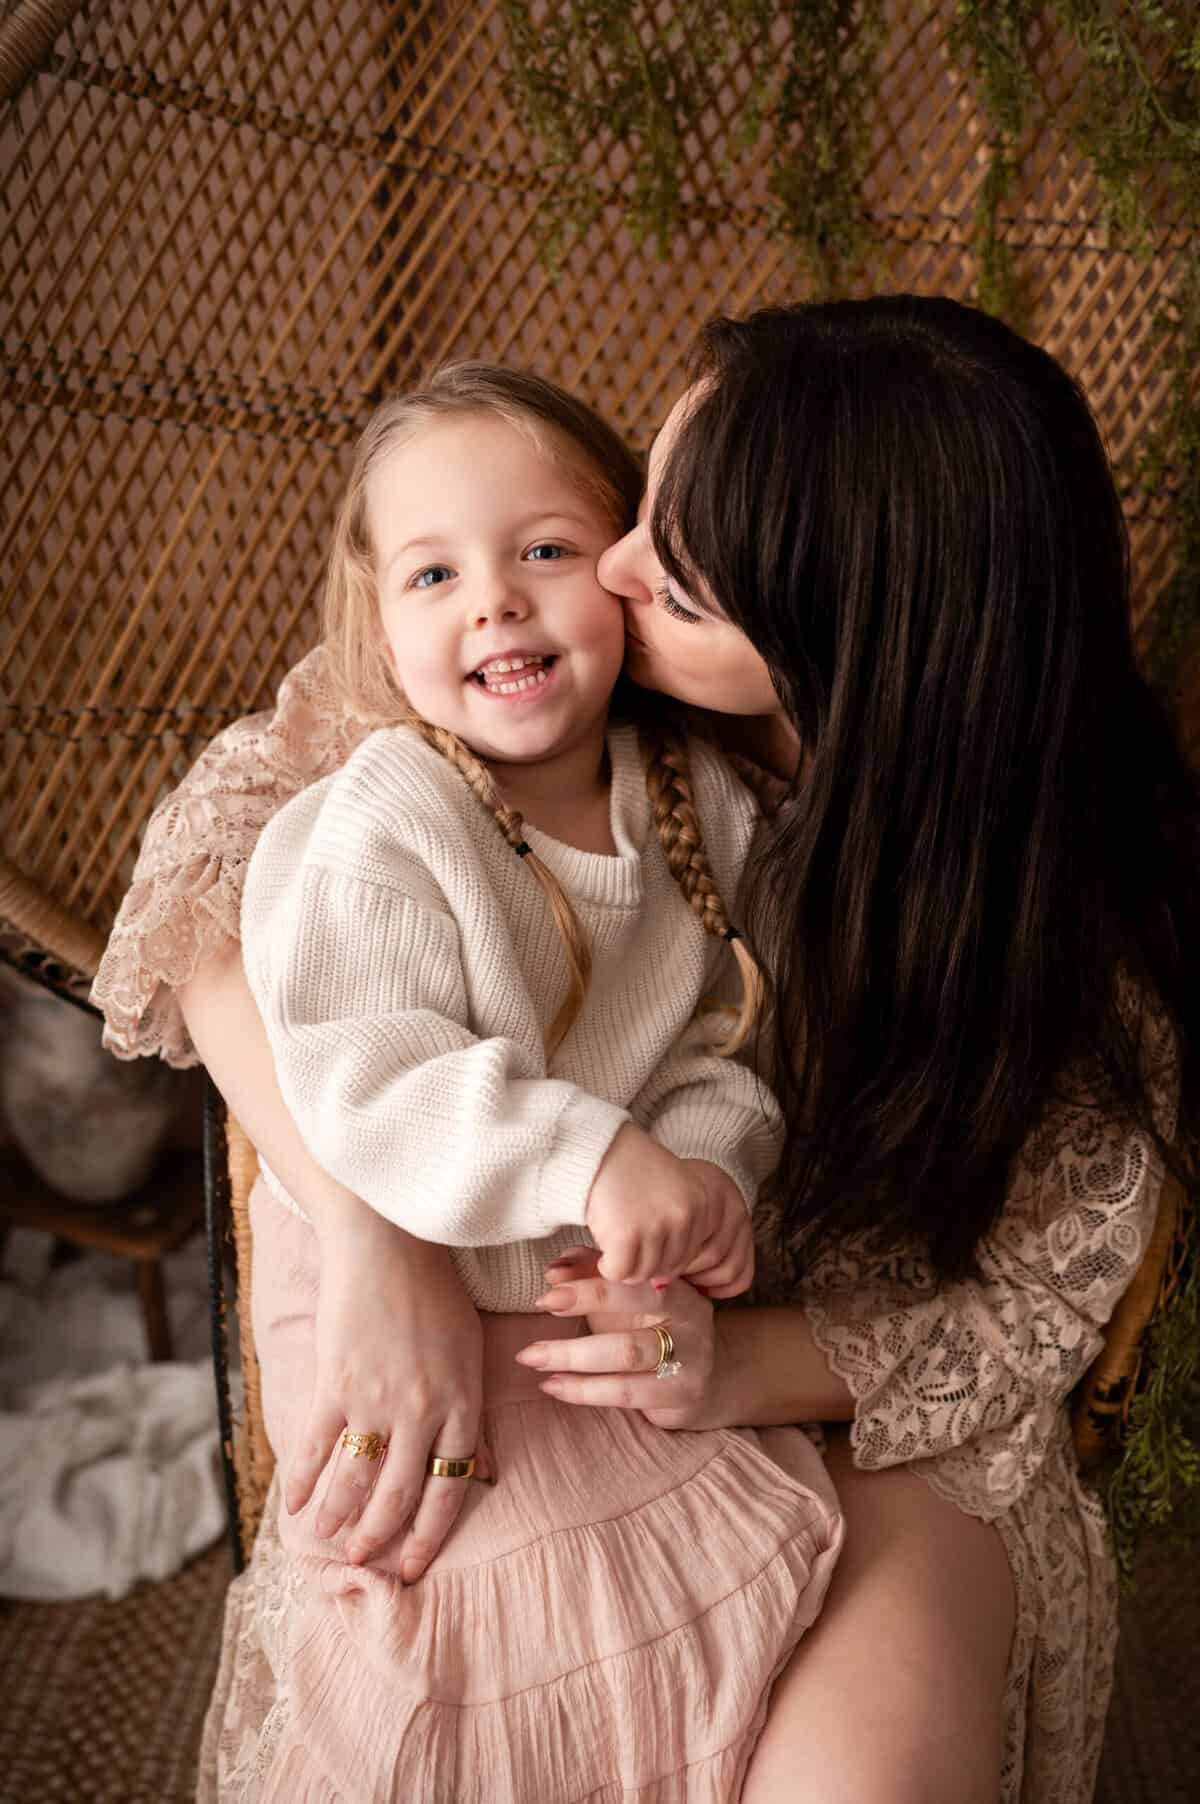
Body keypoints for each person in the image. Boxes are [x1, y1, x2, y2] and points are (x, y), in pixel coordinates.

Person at [93, 294, 1199, 1804]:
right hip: (547, 1304)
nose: (607, 563)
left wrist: (732, 1357)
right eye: (644, 508)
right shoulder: (529, 710)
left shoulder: (1055, 924)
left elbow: (1019, 1319)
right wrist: (377, 1234)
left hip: (857, 1392)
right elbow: (218, 876)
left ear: (836, 643)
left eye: (665, 567)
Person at [189, 360, 846, 1801]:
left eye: (543, 551)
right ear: (379, 621)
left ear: (627, 570)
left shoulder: (699, 803)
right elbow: (370, 1074)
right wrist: (592, 1159)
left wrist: (705, 1176)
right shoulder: (383, 818)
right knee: (466, 1631)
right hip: (401, 1237)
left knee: (735, 1558)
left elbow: (716, 1042)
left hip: (567, 1271)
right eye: (433, 574)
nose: (493, 599)